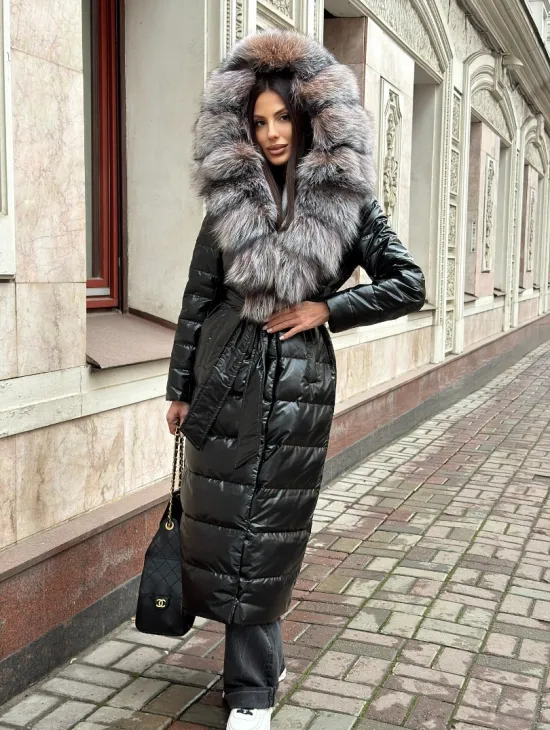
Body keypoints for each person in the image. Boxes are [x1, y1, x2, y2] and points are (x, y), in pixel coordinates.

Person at [166, 29, 425, 730]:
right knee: (228, 529)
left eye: (284, 117)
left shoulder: (349, 200)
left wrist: (327, 308)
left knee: (264, 530)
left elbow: (408, 283)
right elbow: (198, 298)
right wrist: (180, 388)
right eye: (259, 122)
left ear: (310, 118)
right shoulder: (229, 198)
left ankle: (250, 693)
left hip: (294, 387)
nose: (273, 133)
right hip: (222, 380)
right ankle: (264, 664)